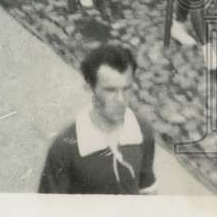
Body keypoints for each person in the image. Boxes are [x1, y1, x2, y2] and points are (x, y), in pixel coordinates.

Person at [38, 44, 157, 195]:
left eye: (126, 89)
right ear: (89, 88)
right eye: (110, 90)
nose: (121, 100)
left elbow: (147, 190)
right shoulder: (65, 148)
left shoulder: (142, 131)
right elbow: (48, 211)